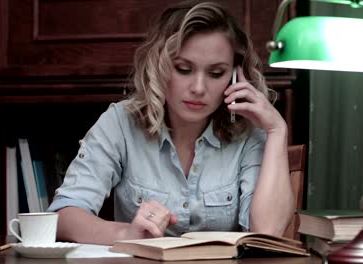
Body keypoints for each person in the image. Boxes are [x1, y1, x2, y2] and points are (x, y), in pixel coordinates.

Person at [47, 0, 294, 245]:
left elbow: (267, 233)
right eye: (183, 69)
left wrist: (277, 130)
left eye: (216, 73)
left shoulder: (249, 131)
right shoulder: (120, 123)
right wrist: (126, 234)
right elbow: (64, 215)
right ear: (159, 66)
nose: (198, 88)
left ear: (235, 77)